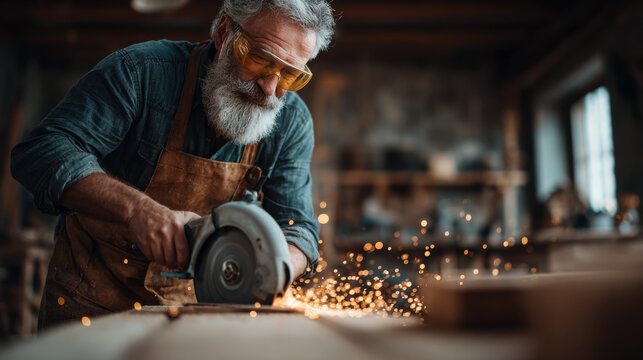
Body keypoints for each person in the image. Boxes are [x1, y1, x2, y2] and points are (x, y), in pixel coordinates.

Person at [11, 0, 335, 328]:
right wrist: (137, 210)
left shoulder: (291, 120)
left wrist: (271, 267)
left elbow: (300, 230)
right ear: (224, 33)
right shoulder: (141, 72)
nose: (269, 88)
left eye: (289, 75)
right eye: (261, 59)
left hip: (192, 317)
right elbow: (43, 150)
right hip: (88, 304)